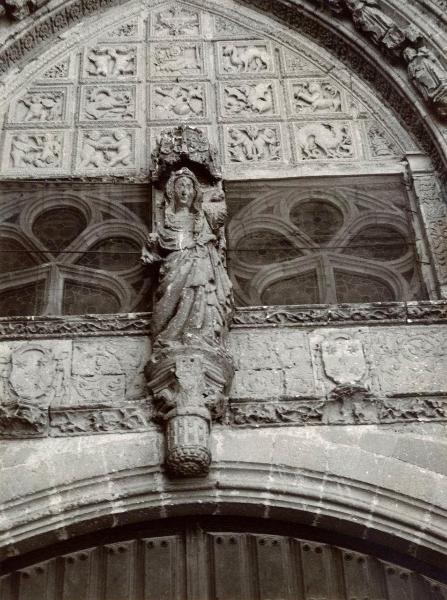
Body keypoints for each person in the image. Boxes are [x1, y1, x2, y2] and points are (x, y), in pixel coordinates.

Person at [142, 168, 233, 350]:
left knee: (200, 294)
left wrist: (217, 197)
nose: (184, 190)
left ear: (195, 191)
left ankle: (202, 337)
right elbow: (160, 246)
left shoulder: (203, 216)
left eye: (189, 186)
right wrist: (149, 248)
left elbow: (220, 216)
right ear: (172, 191)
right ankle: (171, 335)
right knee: (172, 300)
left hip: (202, 262)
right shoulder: (166, 221)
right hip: (175, 266)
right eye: (180, 186)